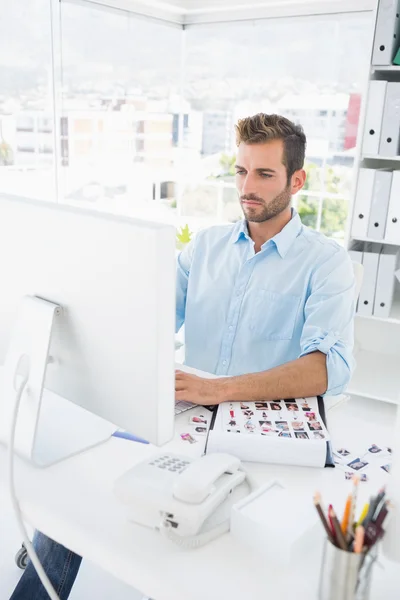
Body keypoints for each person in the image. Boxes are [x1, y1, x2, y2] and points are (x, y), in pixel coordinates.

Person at [10, 113, 355, 599]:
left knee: (196, 562)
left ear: (297, 180)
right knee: (78, 501)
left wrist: (218, 389)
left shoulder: (326, 262)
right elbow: (147, 321)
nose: (247, 187)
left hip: (262, 437)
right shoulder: (207, 247)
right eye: (240, 171)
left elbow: (328, 369)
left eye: (264, 174)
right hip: (186, 418)